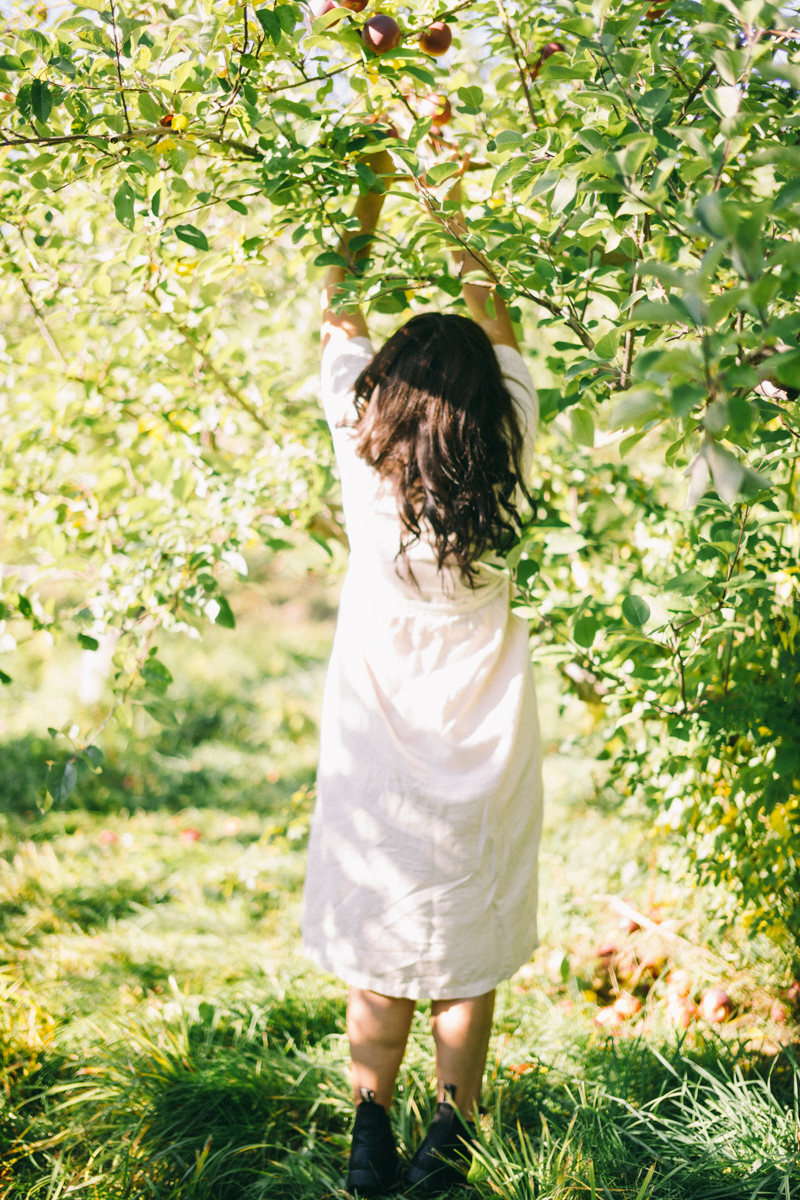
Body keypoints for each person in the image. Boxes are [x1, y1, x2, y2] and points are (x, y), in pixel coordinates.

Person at [301, 149, 543, 1196]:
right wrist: (451, 184)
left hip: (376, 716)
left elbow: (334, 304)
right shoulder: (507, 435)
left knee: (380, 924)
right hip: (482, 715)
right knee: (470, 923)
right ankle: (450, 1136)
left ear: (387, 391)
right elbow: (496, 316)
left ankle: (370, 1132)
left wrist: (372, 180)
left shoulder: (360, 437)